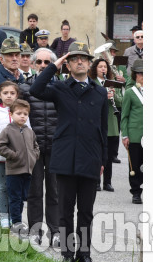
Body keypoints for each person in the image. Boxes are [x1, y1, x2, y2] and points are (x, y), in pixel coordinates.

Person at [30, 41, 108, 262]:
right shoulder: (60, 88)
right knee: (65, 210)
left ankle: (83, 254)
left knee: (85, 211)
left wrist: (103, 159)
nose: (80, 61)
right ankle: (67, 253)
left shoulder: (99, 92)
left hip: (90, 157)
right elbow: (36, 90)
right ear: (68, 64)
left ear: (89, 63)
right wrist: (54, 65)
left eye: (84, 58)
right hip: (65, 158)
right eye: (74, 58)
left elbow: (102, 128)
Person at [19, 47, 61, 247]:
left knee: (55, 192)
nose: (43, 66)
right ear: (34, 64)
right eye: (40, 62)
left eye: (47, 62)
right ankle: (35, 230)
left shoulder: (61, 87)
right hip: (33, 149)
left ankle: (56, 231)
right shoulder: (25, 88)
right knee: (34, 191)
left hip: (56, 148)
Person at [0, 81, 28, 228]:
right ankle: (3, 217)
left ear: (17, 95)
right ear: (0, 94)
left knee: (16, 190)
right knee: (2, 187)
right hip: (1, 158)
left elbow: (29, 133)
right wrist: (1, 147)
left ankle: (15, 217)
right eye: (6, 93)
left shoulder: (22, 113)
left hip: (18, 159)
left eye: (12, 93)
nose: (9, 96)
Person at [0, 99, 39, 236]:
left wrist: (34, 155)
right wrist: (13, 155)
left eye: (25, 114)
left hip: (27, 170)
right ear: (11, 114)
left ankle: (17, 220)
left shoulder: (29, 131)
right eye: (19, 113)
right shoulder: (8, 130)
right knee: (14, 197)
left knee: (22, 197)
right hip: (14, 171)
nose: (22, 116)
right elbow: (0, 146)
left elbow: (36, 146)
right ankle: (16, 222)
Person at [89, 57, 122, 192]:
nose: (103, 69)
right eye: (100, 66)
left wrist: (113, 96)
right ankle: (96, 181)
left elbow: (121, 102)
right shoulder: (92, 83)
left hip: (111, 122)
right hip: (97, 122)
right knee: (96, 154)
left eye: (105, 67)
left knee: (108, 156)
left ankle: (107, 182)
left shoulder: (111, 84)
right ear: (95, 69)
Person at [121, 59, 143, 204]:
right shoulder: (130, 92)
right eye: (140, 73)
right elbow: (124, 115)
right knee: (134, 165)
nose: (143, 76)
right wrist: (125, 135)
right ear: (135, 75)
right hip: (135, 134)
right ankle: (136, 192)